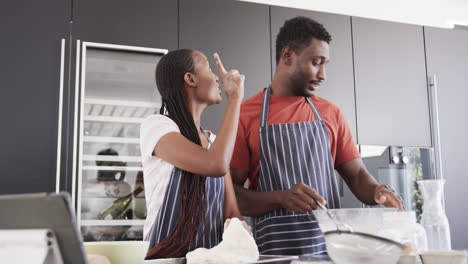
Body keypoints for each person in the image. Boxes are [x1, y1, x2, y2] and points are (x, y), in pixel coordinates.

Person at [229, 16, 404, 256]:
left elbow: (357, 175)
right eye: (316, 62)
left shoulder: (330, 113)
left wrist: (377, 191)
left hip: (330, 252)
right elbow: (231, 194)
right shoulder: (245, 115)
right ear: (287, 56)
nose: (323, 74)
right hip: (273, 253)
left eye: (325, 64)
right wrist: (280, 198)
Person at [140, 49, 250, 259]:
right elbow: (215, 164)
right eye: (209, 68)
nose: (217, 77)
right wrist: (235, 99)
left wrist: (240, 234)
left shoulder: (214, 143)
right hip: (165, 259)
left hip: (210, 259)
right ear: (190, 79)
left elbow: (232, 213)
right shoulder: (157, 126)